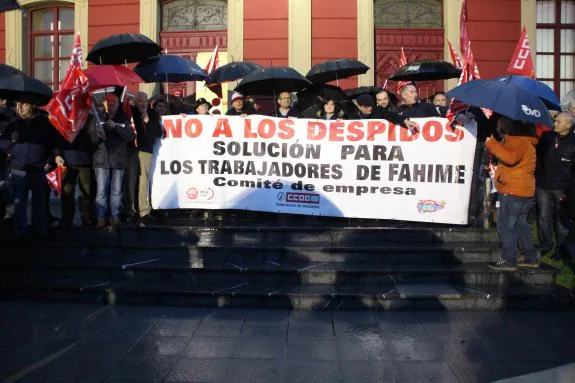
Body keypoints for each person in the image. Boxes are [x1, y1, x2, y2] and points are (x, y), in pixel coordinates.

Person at [0, 102, 62, 240]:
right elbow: (3, 143)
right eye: (19, 105)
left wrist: (52, 158)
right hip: (19, 168)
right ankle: (20, 230)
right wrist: (13, 146)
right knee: (19, 201)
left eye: (24, 104)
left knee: (39, 200)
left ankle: (39, 229)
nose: (21, 107)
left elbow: (53, 142)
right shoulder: (14, 124)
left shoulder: (44, 123)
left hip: (38, 167)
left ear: (33, 106)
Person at [486, 117, 539, 271]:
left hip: (513, 191)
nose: (496, 128)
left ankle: (509, 260)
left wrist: (491, 143)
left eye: (498, 125)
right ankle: (531, 257)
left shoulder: (517, 142)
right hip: (523, 190)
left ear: (505, 127)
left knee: (506, 225)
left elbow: (510, 158)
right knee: (521, 224)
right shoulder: (524, 141)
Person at [91, 93, 135, 228]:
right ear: (104, 104)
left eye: (113, 103)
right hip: (101, 159)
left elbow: (130, 136)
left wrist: (116, 127)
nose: (110, 105)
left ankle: (115, 216)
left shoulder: (124, 118)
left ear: (118, 104)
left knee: (116, 191)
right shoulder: (97, 117)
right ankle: (101, 217)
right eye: (108, 103)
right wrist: (99, 135)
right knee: (101, 191)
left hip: (118, 159)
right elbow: (91, 139)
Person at [535, 112, 575, 256]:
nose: (554, 124)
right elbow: (537, 154)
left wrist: (570, 190)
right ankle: (545, 245)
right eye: (555, 120)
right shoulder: (547, 137)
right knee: (543, 217)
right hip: (543, 184)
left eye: (558, 121)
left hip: (562, 187)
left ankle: (561, 249)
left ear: (568, 125)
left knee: (561, 220)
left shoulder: (573, 141)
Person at [57, 115, 97, 227]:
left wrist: (79, 131)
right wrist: (57, 155)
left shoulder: (88, 118)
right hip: (66, 161)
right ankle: (66, 219)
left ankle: (87, 219)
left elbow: (93, 140)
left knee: (86, 193)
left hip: (85, 160)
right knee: (67, 193)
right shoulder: (63, 117)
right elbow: (57, 138)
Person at [137, 95, 164, 227]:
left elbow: (159, 133)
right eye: (140, 101)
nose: (142, 104)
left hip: (145, 151)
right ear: (135, 102)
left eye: (144, 101)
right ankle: (131, 210)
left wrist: (148, 120)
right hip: (130, 151)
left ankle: (144, 211)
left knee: (144, 181)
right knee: (131, 183)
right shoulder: (131, 112)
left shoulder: (152, 114)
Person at [353, 94, 419, 132]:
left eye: (371, 105)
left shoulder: (378, 110)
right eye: (366, 107)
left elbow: (390, 115)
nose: (370, 108)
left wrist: (404, 120)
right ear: (359, 106)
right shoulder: (352, 115)